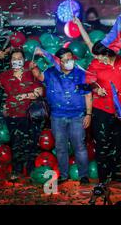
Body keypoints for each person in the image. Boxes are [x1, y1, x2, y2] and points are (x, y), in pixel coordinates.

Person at [31, 47, 92, 185]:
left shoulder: (80, 74)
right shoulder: (51, 72)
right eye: (64, 59)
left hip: (77, 116)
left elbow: (88, 95)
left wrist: (88, 114)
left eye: (70, 58)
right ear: (59, 61)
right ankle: (64, 175)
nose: (68, 61)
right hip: (57, 116)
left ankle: (84, 175)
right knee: (60, 147)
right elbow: (40, 77)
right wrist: (34, 68)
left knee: (80, 146)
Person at [0, 48, 44, 179]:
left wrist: (24, 95)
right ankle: (17, 170)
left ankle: (31, 170)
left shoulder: (31, 71)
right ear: (10, 61)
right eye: (14, 59)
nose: (17, 61)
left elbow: (39, 92)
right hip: (13, 115)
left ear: (23, 60)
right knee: (16, 143)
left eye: (19, 58)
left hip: (31, 115)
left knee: (31, 143)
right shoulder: (5, 75)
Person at [85, 41, 121, 185]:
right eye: (96, 56)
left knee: (117, 144)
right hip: (101, 110)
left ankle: (116, 172)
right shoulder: (94, 65)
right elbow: (88, 83)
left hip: (120, 110)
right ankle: (103, 177)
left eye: (100, 56)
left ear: (108, 53)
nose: (97, 59)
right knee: (102, 144)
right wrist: (96, 90)